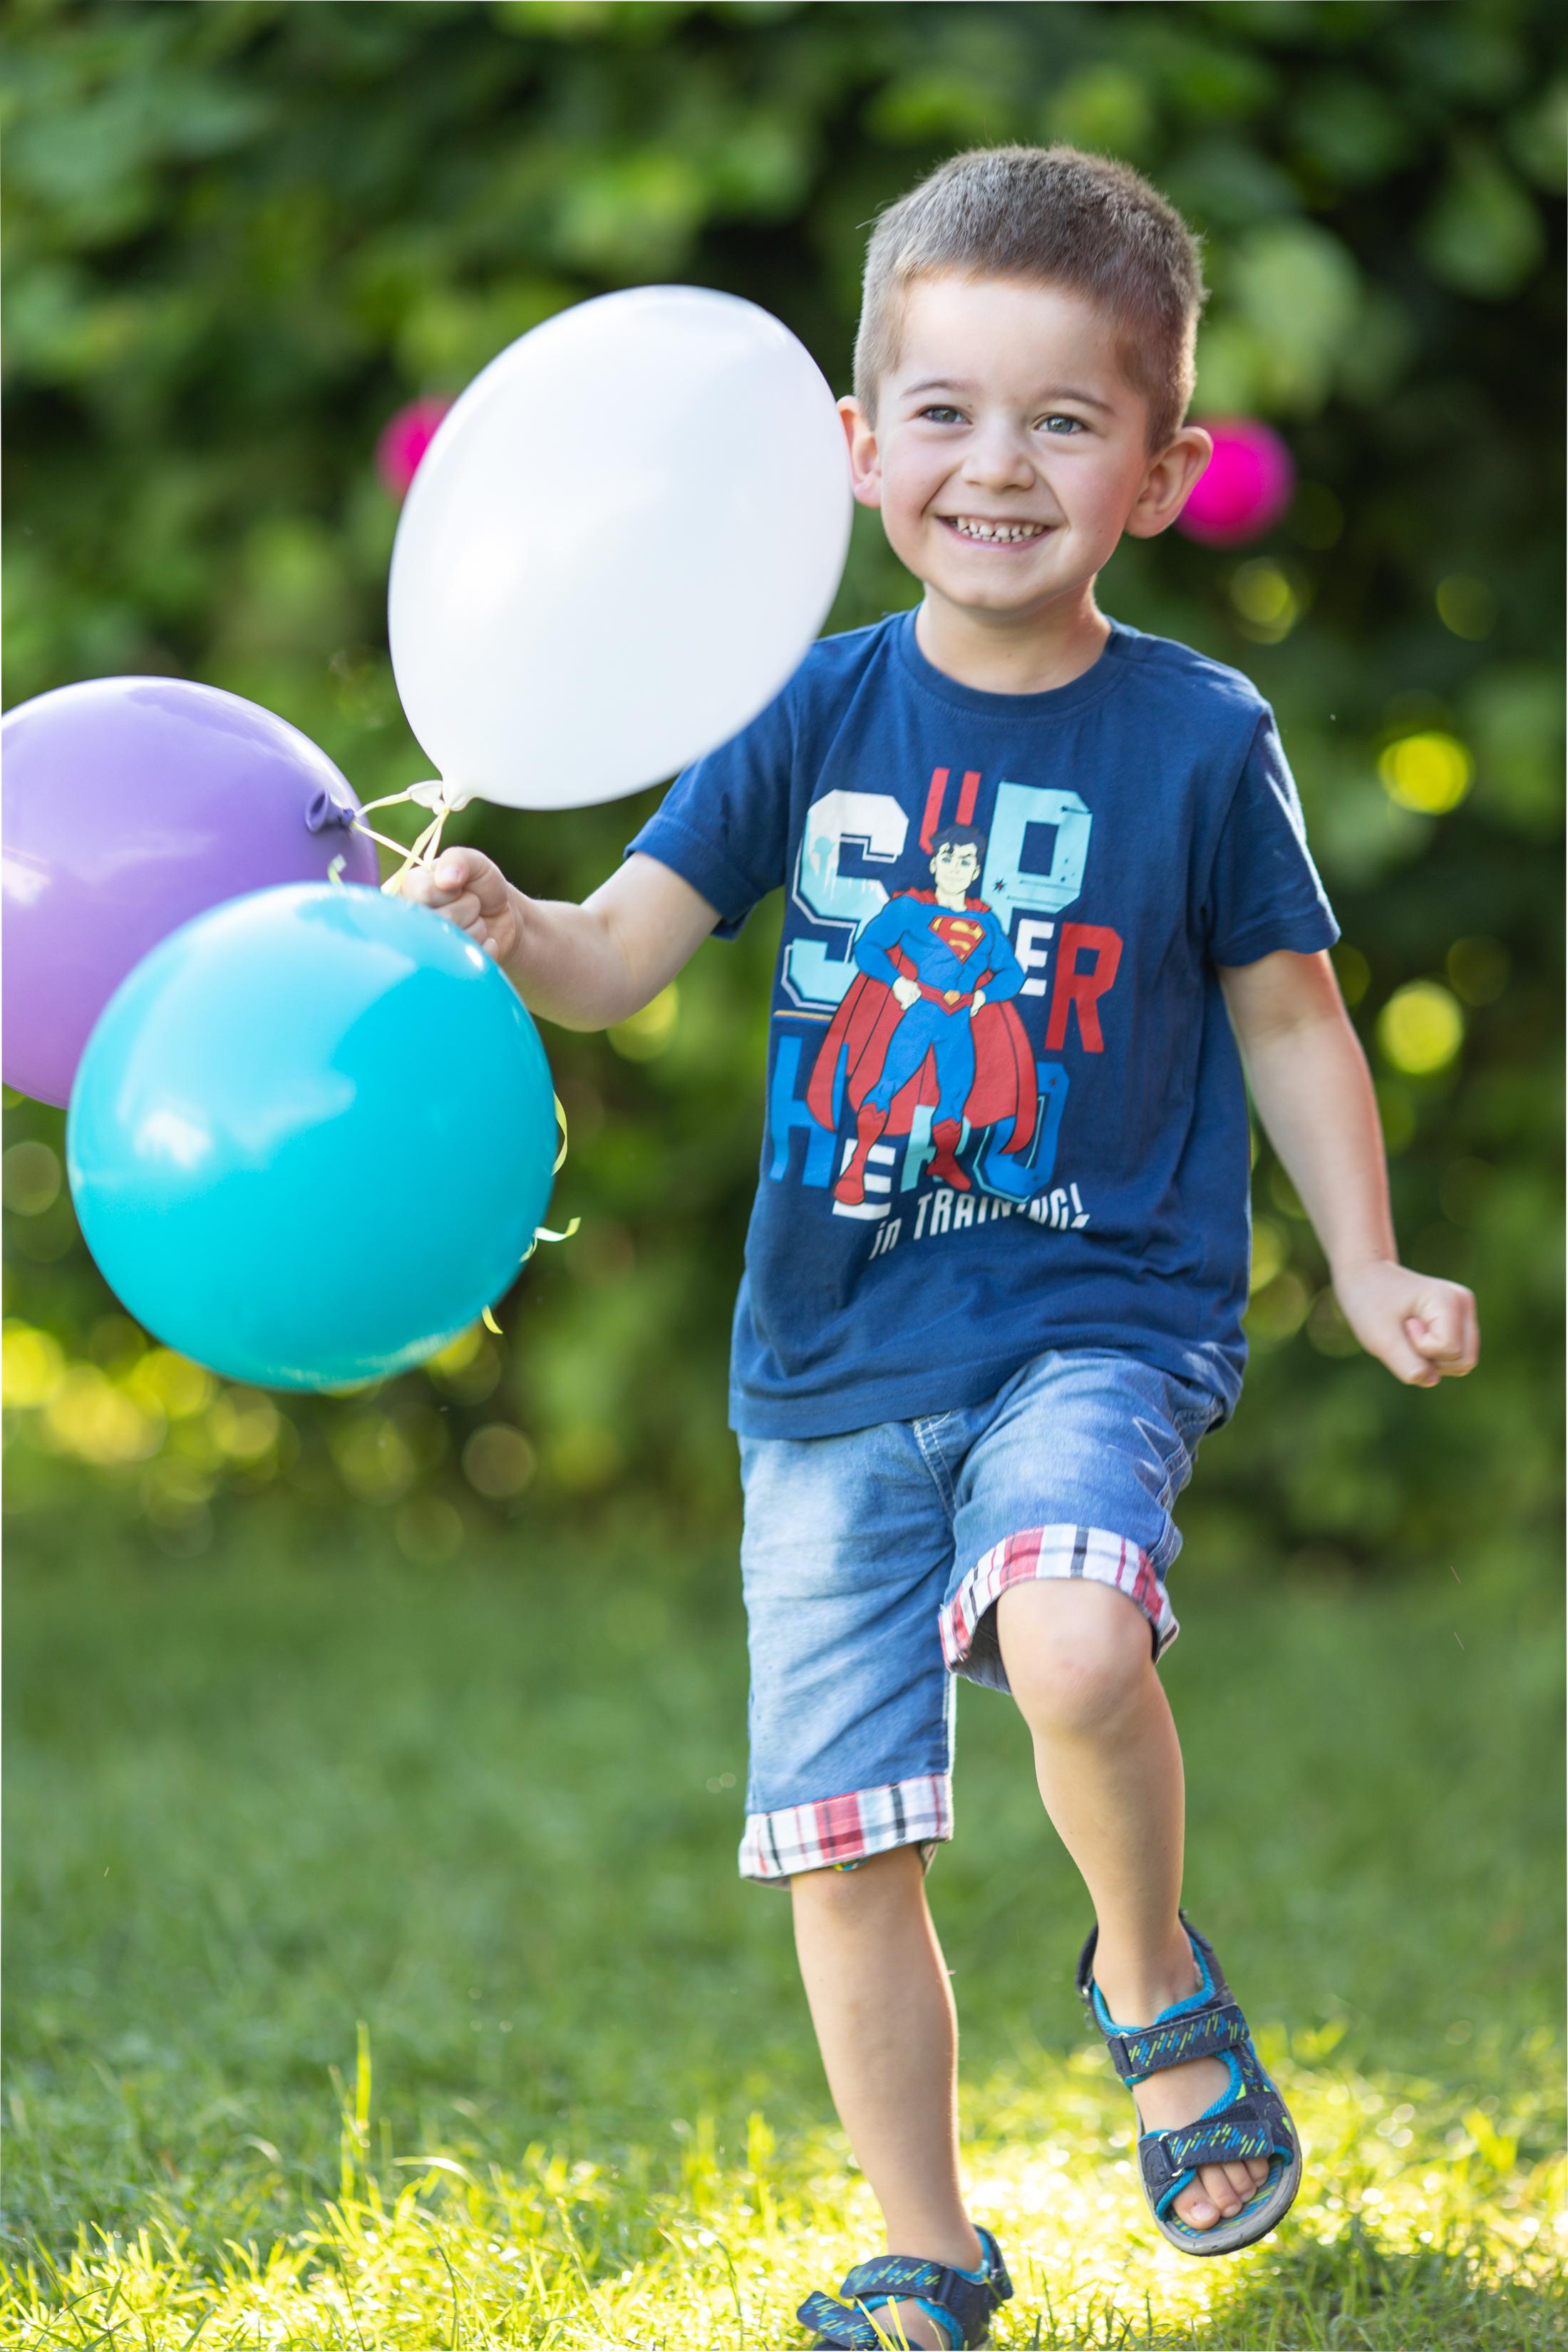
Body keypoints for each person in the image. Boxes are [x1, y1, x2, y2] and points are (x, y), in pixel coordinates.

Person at [403, 145, 1479, 2351]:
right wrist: (516, 925)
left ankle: (1154, 1979)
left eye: (1065, 420)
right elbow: (622, 956)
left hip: (1094, 1311)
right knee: (844, 1838)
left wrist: (1368, 1264)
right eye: (949, 412)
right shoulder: (808, 708)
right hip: (829, 1360)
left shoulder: (1199, 737)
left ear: (1160, 471)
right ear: (859, 444)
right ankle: (926, 2242)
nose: (999, 465)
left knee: (1075, 1644)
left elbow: (1291, 1013)